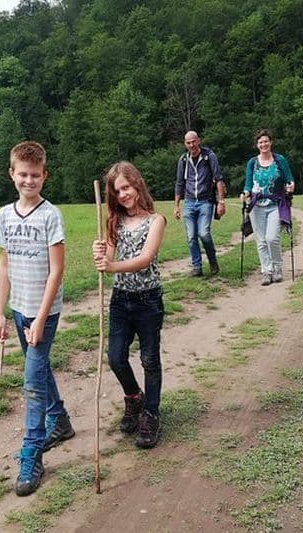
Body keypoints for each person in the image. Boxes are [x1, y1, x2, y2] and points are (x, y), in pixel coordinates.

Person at [0, 141, 75, 497]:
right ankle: (61, 421)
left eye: (35, 175)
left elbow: (57, 271)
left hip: (44, 311)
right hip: (19, 308)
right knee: (37, 370)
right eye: (23, 174)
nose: (29, 181)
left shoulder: (50, 215)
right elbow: (4, 265)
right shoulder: (5, 215)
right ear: (12, 174)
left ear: (45, 176)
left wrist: (40, 319)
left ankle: (31, 451)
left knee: (31, 381)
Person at [93, 161, 167, 449]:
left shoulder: (156, 220)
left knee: (149, 359)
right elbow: (107, 258)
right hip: (121, 300)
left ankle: (151, 414)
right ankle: (135, 398)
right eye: (117, 190)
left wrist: (111, 267)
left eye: (126, 187)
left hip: (148, 299)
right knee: (115, 357)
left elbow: (146, 258)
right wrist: (100, 255)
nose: (123, 194)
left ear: (137, 184)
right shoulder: (114, 221)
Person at [241, 129, 295, 286]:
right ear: (257, 145)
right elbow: (248, 183)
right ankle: (266, 270)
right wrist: (245, 192)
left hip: (275, 204)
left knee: (272, 238)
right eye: (260, 142)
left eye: (266, 141)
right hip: (256, 206)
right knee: (261, 240)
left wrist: (290, 187)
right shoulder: (252, 162)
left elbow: (289, 179)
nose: (263, 144)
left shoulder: (280, 160)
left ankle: (277, 267)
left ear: (271, 142)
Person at [174, 130, 226, 277]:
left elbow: (219, 179)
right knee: (191, 237)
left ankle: (212, 260)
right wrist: (177, 205)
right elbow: (179, 183)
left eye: (194, 141)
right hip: (189, 202)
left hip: (205, 201)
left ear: (199, 141)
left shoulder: (209, 156)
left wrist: (221, 202)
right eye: (188, 143)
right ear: (185, 144)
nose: (192, 145)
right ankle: (197, 267)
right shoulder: (183, 160)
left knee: (204, 234)